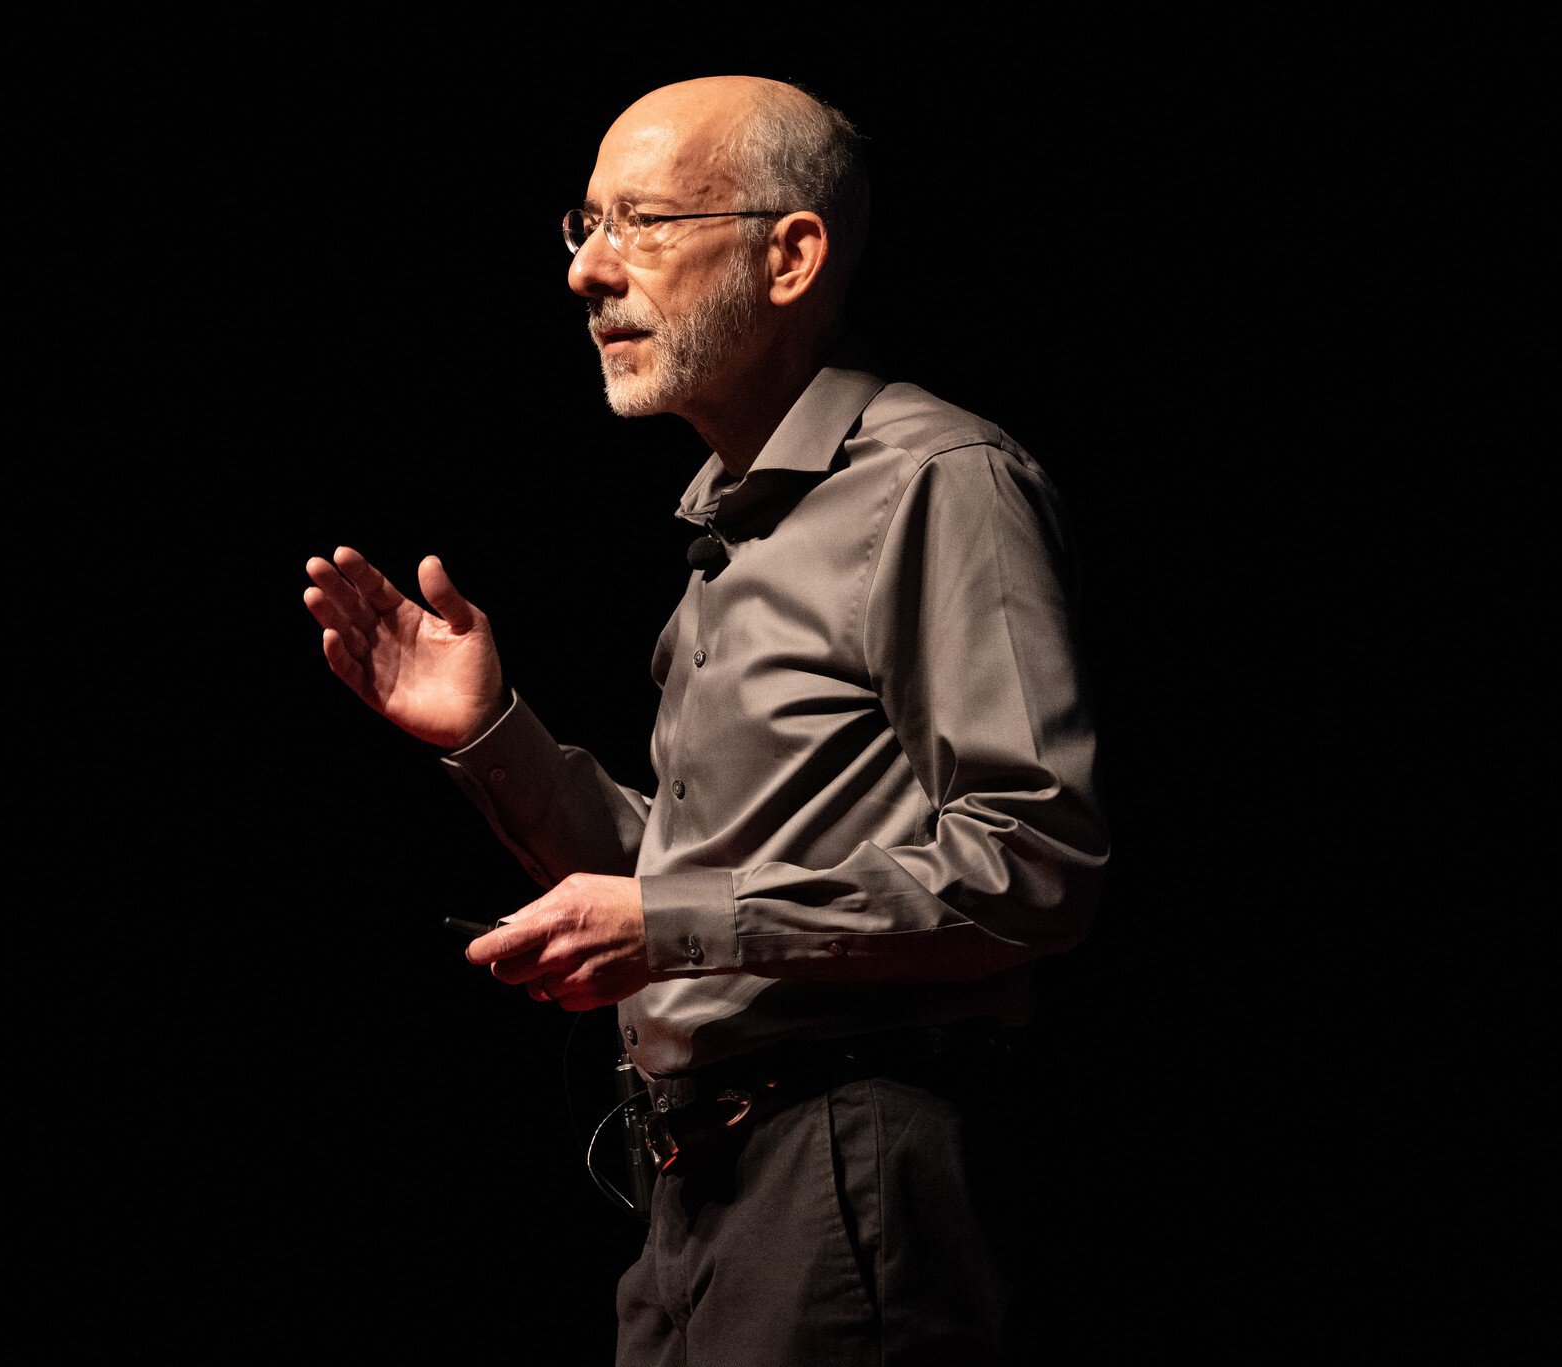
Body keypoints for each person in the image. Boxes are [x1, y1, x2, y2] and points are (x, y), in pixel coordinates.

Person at [301, 75, 1105, 1365]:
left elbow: (1038, 864)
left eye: (643, 222)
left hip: (850, 1166)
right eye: (585, 224)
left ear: (791, 256)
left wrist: (670, 924)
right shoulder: (734, 523)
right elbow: (680, 878)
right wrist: (491, 733)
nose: (586, 271)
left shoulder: (938, 483)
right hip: (695, 1186)